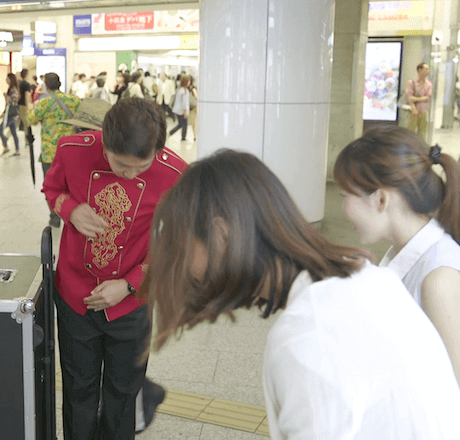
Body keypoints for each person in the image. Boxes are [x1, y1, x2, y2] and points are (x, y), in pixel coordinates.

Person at [143, 149, 460, 439]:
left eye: (184, 248)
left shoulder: (308, 335)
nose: (186, 268)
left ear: (222, 234)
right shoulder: (365, 278)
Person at [43, 98, 187, 440]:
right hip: (76, 294)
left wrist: (131, 284)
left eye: (142, 166)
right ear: (104, 142)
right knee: (79, 389)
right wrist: (72, 210)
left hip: (132, 302)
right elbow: (52, 189)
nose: (131, 174)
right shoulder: (72, 149)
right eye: (121, 164)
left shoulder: (176, 174)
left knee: (123, 395)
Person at [334, 126, 460, 383]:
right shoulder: (405, 254)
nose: (343, 208)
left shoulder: (438, 278)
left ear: (381, 200)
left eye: (345, 195)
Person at [27, 73, 80, 228]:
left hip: (50, 153)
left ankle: (55, 217)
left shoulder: (45, 103)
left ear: (46, 86)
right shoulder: (74, 100)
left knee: (52, 186)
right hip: (71, 151)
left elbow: (31, 120)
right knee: (71, 185)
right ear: (60, 83)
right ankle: (71, 214)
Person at [406, 63, 432, 141]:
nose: (428, 71)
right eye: (426, 69)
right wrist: (414, 108)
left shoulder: (429, 84)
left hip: (424, 111)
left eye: (428, 69)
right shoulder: (411, 82)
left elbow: (427, 98)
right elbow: (409, 97)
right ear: (420, 70)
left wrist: (416, 98)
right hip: (413, 111)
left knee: (423, 132)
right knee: (410, 131)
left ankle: (421, 149)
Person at [0, 73, 21, 156]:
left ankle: (5, 145)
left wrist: (7, 97)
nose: (6, 80)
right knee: (14, 132)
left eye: (7, 78)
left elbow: (15, 100)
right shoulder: (12, 88)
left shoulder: (13, 89)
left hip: (11, 114)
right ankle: (17, 150)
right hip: (12, 113)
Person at [168, 75, 190, 140]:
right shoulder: (185, 91)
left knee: (182, 124)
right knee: (183, 124)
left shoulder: (180, 89)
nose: (189, 83)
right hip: (182, 111)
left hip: (178, 110)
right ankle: (172, 133)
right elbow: (184, 102)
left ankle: (182, 136)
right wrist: (185, 111)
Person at [18, 69, 33, 145]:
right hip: (24, 105)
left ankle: (6, 137)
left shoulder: (19, 84)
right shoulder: (26, 84)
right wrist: (28, 107)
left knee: (16, 123)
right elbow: (27, 96)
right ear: (27, 75)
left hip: (19, 105)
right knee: (26, 123)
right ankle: (27, 140)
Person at [187, 76, 198, 141]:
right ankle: (194, 135)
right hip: (191, 107)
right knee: (193, 123)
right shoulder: (191, 88)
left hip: (192, 107)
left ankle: (195, 136)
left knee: (193, 123)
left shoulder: (191, 88)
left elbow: (195, 96)